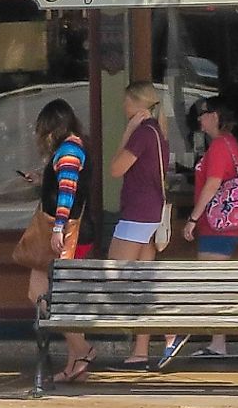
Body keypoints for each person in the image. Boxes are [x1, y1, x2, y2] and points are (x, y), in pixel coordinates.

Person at [176, 97, 238, 360]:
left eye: (205, 113)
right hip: (223, 225)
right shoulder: (227, 145)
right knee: (216, 281)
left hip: (218, 226)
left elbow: (212, 185)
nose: (200, 118)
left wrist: (192, 218)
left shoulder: (221, 146)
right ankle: (218, 342)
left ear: (217, 116)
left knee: (213, 282)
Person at [22, 97, 93, 384]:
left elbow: (67, 191)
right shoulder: (74, 147)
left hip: (66, 235)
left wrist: (58, 227)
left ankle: (84, 350)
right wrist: (42, 179)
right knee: (59, 298)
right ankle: (75, 360)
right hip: (73, 232)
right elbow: (66, 182)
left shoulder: (68, 149)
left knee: (43, 295)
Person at [106, 80, 171, 365]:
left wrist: (127, 132)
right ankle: (141, 350)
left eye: (126, 101)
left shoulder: (142, 133)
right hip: (152, 215)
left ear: (136, 103)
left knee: (115, 277)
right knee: (142, 282)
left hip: (137, 215)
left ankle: (170, 330)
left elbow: (116, 168)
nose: (123, 106)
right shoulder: (158, 132)